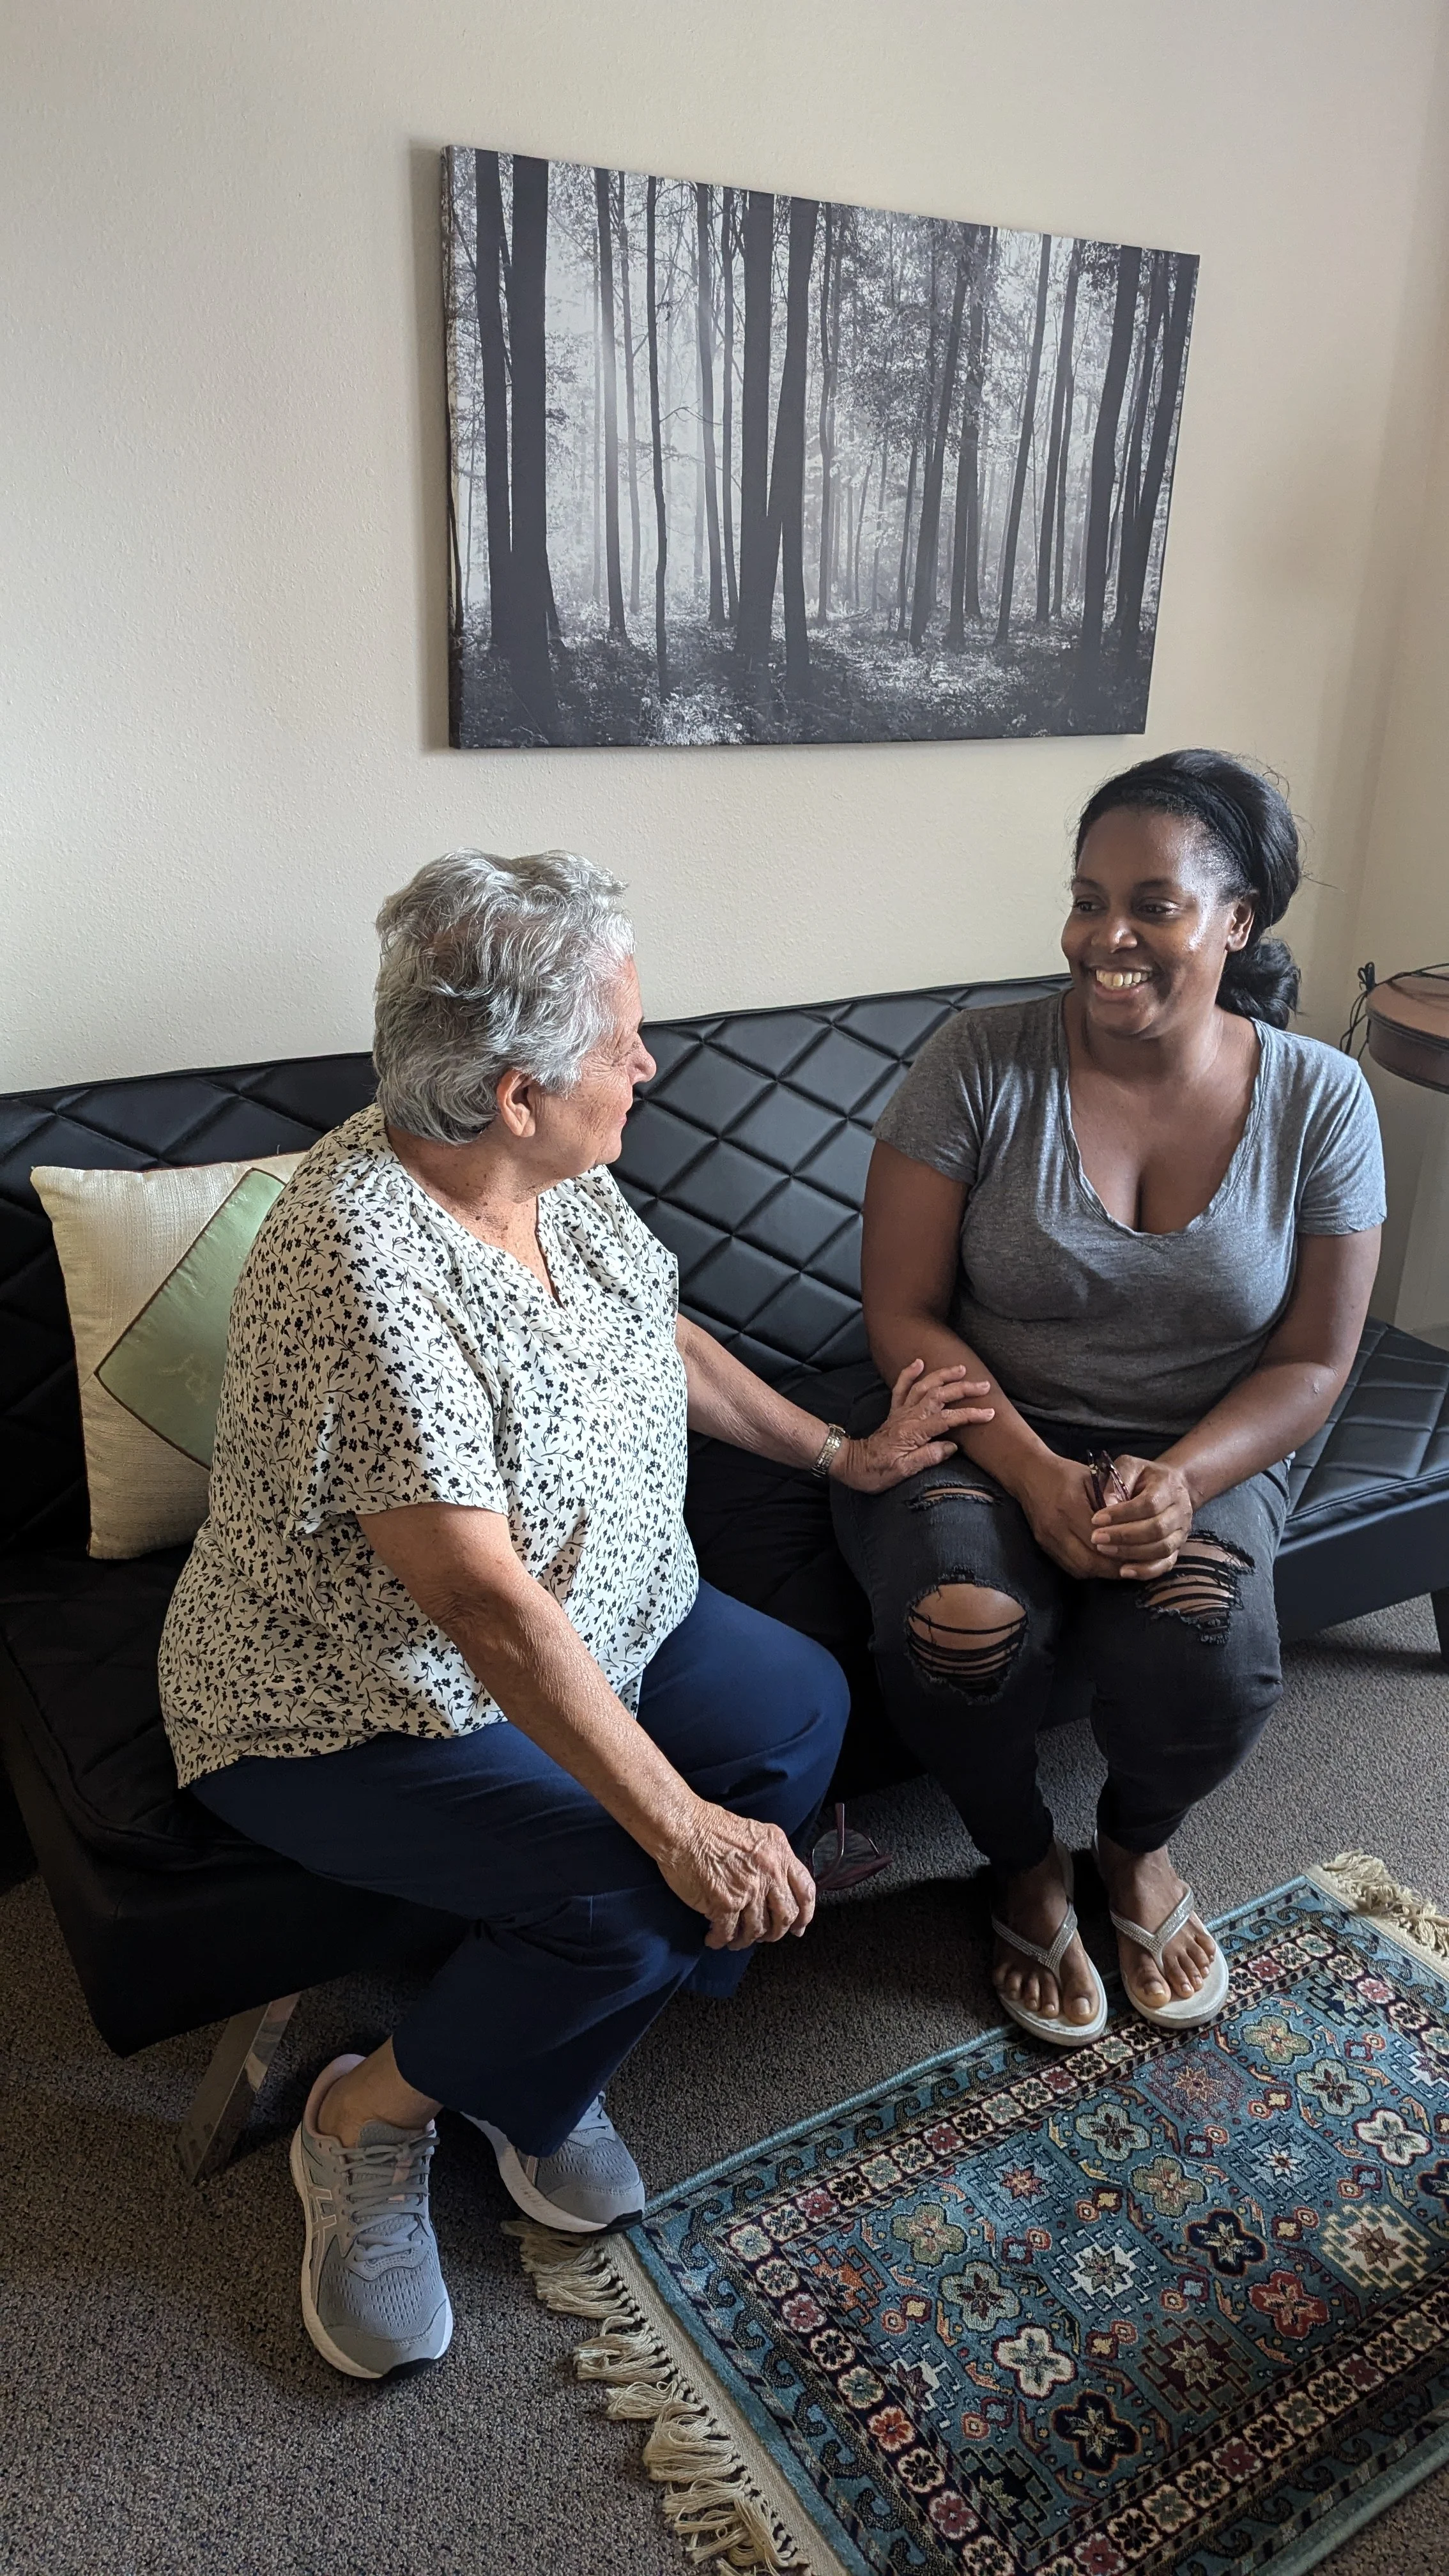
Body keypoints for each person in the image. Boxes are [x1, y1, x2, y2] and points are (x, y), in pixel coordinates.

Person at [159, 848, 988, 2380]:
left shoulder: (557, 1180)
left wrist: (837, 1449)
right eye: (621, 1043)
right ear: (513, 1093)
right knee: (630, 1891)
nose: (650, 1063)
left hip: (610, 1611)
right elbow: (480, 1607)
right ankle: (363, 2117)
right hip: (354, 1700)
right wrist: (677, 1829)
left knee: (801, 1710)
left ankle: (534, 2046)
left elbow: (651, 1327)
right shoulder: (366, 1261)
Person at [832, 749, 1384, 2050]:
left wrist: (1182, 1479)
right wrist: (1033, 1475)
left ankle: (1136, 1851)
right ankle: (1021, 1862)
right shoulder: (978, 1061)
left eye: (1154, 903)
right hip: (981, 1422)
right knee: (959, 1630)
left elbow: (1313, 1361)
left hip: (1213, 1433)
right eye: (1089, 899)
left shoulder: (1320, 1099)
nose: (1107, 937)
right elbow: (902, 1312)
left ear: (1238, 921)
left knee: (1203, 1639)